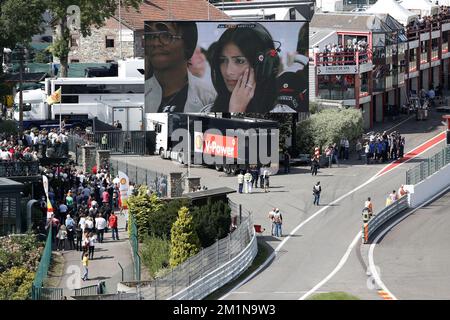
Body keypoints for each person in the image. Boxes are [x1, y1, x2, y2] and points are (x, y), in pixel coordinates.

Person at [205, 22, 280, 113]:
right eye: (222, 60)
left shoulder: (285, 115)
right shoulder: (207, 112)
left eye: (239, 61)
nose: (228, 71)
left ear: (263, 65)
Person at [145, 21, 216, 113]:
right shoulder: (141, 92)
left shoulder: (208, 96)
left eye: (166, 36)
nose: (155, 43)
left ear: (188, 44)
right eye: (149, 36)